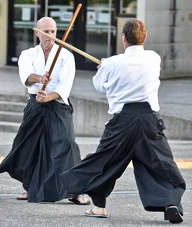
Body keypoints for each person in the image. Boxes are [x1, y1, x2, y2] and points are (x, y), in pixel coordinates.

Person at [59, 19, 186, 223]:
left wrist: (104, 68)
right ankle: (170, 202)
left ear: (123, 38)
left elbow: (99, 87)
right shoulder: (153, 58)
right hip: (149, 120)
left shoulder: (111, 63)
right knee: (161, 162)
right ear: (144, 38)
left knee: (105, 161)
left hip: (122, 121)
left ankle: (99, 207)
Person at [0, 17, 89, 205]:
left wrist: (49, 96)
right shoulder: (28, 54)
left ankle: (75, 191)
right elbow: (26, 77)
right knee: (28, 146)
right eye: (46, 31)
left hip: (58, 105)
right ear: (37, 33)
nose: (50, 35)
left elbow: (65, 85)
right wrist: (40, 78)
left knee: (67, 145)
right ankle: (31, 187)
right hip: (35, 104)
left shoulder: (66, 56)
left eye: (53, 31)